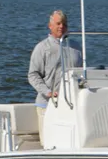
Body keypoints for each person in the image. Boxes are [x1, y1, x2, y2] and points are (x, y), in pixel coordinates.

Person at [27, 10, 82, 145]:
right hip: (47, 104)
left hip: (70, 105)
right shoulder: (42, 48)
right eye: (58, 23)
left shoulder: (77, 47)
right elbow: (33, 75)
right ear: (50, 26)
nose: (61, 27)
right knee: (49, 143)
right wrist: (48, 92)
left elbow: (81, 73)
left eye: (64, 24)